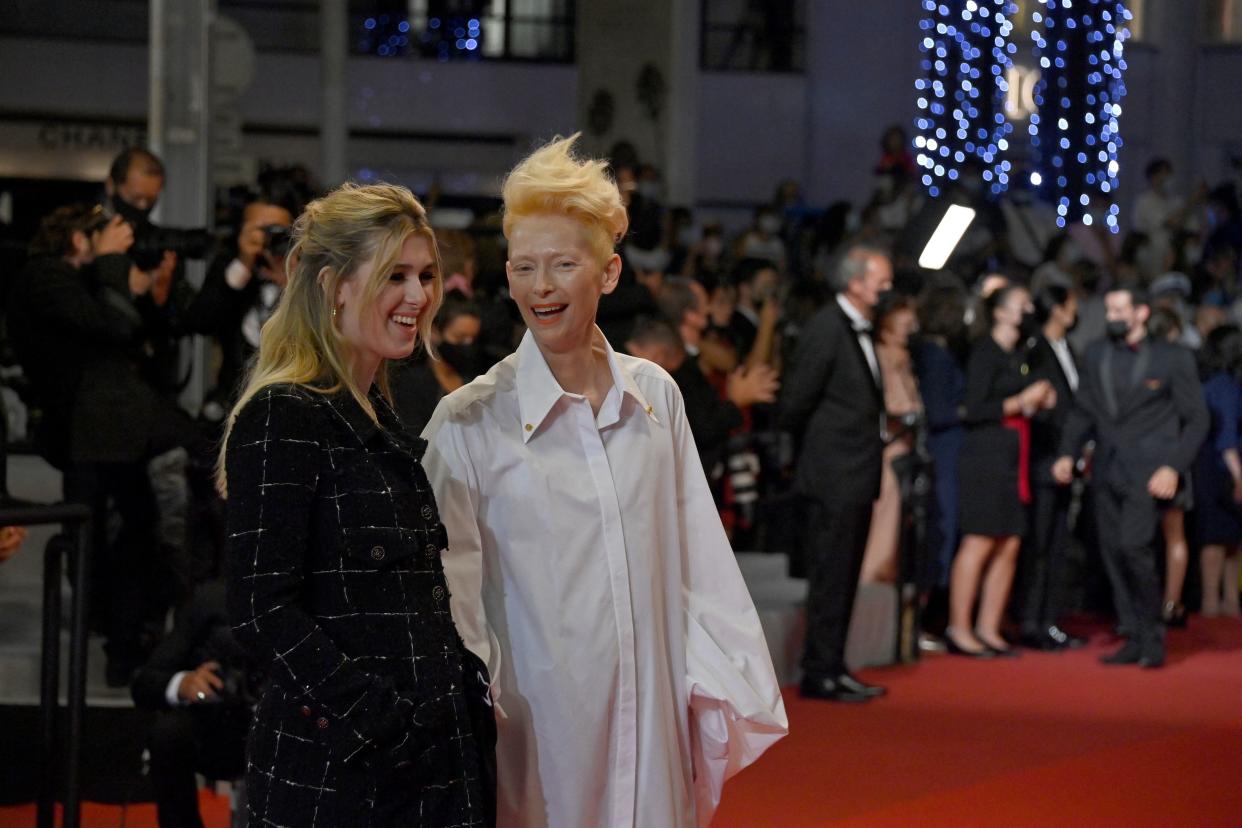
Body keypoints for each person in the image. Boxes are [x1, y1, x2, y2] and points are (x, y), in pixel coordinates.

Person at [421, 134, 786, 827]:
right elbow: (453, 607)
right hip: (534, 755)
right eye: (524, 267)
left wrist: (701, 693)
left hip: (650, 739)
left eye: (563, 264)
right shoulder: (466, 424)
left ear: (610, 273)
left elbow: (697, 566)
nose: (541, 287)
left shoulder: (655, 398)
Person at [220, 182, 494, 826]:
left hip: (432, 770)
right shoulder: (284, 414)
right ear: (333, 283)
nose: (419, 296)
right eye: (395, 275)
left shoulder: (389, 423)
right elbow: (261, 610)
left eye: (426, 275)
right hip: (336, 781)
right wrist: (380, 722)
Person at [1053, 286, 1209, 668]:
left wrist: (1174, 466)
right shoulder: (1096, 354)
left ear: (1141, 312)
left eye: (1119, 309)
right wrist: (1066, 454)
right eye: (1108, 309)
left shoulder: (1173, 358)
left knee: (1133, 547)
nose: (1112, 316)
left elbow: (1197, 419)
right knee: (1111, 553)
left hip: (1151, 473)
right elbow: (1082, 411)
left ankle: (1152, 635)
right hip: (1107, 471)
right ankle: (1134, 633)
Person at [781, 242, 892, 700]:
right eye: (880, 279)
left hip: (853, 473)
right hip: (833, 475)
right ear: (855, 281)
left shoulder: (857, 328)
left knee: (843, 574)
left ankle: (833, 664)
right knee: (830, 575)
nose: (887, 287)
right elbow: (795, 401)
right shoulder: (827, 329)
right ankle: (820, 670)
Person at [948, 284, 1057, 657]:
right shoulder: (984, 352)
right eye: (1021, 305)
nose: (1028, 311)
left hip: (1015, 455)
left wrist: (1038, 401)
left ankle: (989, 628)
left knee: (1009, 542)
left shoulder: (1021, 354)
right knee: (979, 540)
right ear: (999, 312)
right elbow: (973, 409)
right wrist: (1020, 401)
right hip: (986, 455)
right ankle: (959, 627)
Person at [130, 580, 259, 828]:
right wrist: (184, 683)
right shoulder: (211, 600)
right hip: (226, 728)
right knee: (169, 733)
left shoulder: (328, 600)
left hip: (299, 734)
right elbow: (145, 682)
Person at [1019, 284, 1086, 650]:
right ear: (1059, 309)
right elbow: (1043, 408)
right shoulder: (1036, 351)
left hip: (1065, 459)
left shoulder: (1066, 350)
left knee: (1058, 541)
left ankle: (1048, 619)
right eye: (1072, 305)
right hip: (1043, 458)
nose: (1076, 312)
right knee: (1040, 543)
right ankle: (1032, 621)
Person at [860, 292, 923, 584]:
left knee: (901, 541)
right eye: (902, 314)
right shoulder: (877, 356)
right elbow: (884, 406)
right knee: (881, 539)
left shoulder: (908, 358)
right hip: (885, 458)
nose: (909, 322)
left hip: (908, 454)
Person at [1193, 325, 1242, 618]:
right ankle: (1214, 600)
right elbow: (1226, 440)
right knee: (1216, 536)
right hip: (1219, 469)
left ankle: (1229, 599)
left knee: (1232, 538)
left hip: (1222, 466)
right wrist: (1238, 476)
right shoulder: (1223, 386)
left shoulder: (1224, 383)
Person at [390, 295, 485, 435]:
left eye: (473, 339)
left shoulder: (477, 378)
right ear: (434, 333)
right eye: (459, 338)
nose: (467, 346)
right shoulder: (410, 383)